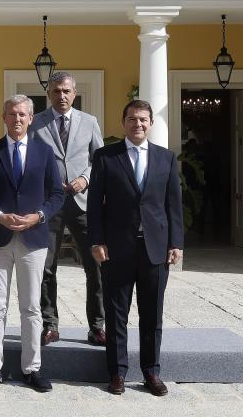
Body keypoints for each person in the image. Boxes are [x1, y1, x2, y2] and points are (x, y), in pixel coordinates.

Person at [0, 95, 64, 393]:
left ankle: (31, 368)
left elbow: (57, 195)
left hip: (33, 240)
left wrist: (38, 216)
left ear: (31, 118)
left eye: (22, 114)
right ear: (4, 117)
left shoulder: (45, 153)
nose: (17, 119)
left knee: (32, 307)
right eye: (11, 114)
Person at [88, 100, 184, 397]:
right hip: (116, 248)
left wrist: (176, 243)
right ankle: (117, 372)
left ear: (151, 123)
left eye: (143, 119)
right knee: (116, 313)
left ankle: (151, 372)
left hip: (155, 249)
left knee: (152, 314)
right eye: (132, 119)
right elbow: (94, 206)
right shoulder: (105, 157)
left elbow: (173, 206)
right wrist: (97, 241)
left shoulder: (166, 158)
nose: (138, 124)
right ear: (124, 122)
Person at [30, 72, 106, 347]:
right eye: (56, 91)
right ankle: (50, 325)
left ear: (74, 93)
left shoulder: (90, 122)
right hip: (50, 204)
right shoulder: (36, 123)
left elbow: (100, 158)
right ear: (48, 94)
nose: (61, 96)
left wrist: (85, 178)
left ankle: (97, 325)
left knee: (94, 265)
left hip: (83, 202)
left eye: (66, 91)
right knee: (46, 267)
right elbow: (30, 160)